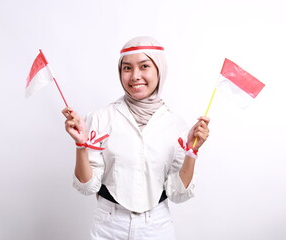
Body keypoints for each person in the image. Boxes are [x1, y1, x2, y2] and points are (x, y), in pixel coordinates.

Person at [62, 36, 210, 240]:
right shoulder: (100, 118)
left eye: (144, 66)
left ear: (159, 69)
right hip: (108, 225)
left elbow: (178, 194)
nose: (135, 76)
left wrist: (192, 151)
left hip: (156, 226)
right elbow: (87, 187)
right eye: (127, 68)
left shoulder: (176, 125)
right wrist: (80, 145)